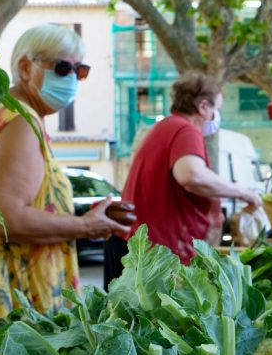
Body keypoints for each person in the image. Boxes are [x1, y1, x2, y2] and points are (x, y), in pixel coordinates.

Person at [0, 24, 134, 329]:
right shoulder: (22, 121)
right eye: (62, 67)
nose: (72, 78)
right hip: (11, 300)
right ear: (25, 67)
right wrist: (86, 226)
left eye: (80, 70)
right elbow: (4, 217)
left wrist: (80, 215)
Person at [106, 71, 261, 280]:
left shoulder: (166, 127)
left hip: (137, 248)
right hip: (149, 257)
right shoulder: (185, 130)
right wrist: (244, 192)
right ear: (203, 107)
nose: (217, 117)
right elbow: (192, 176)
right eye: (216, 109)